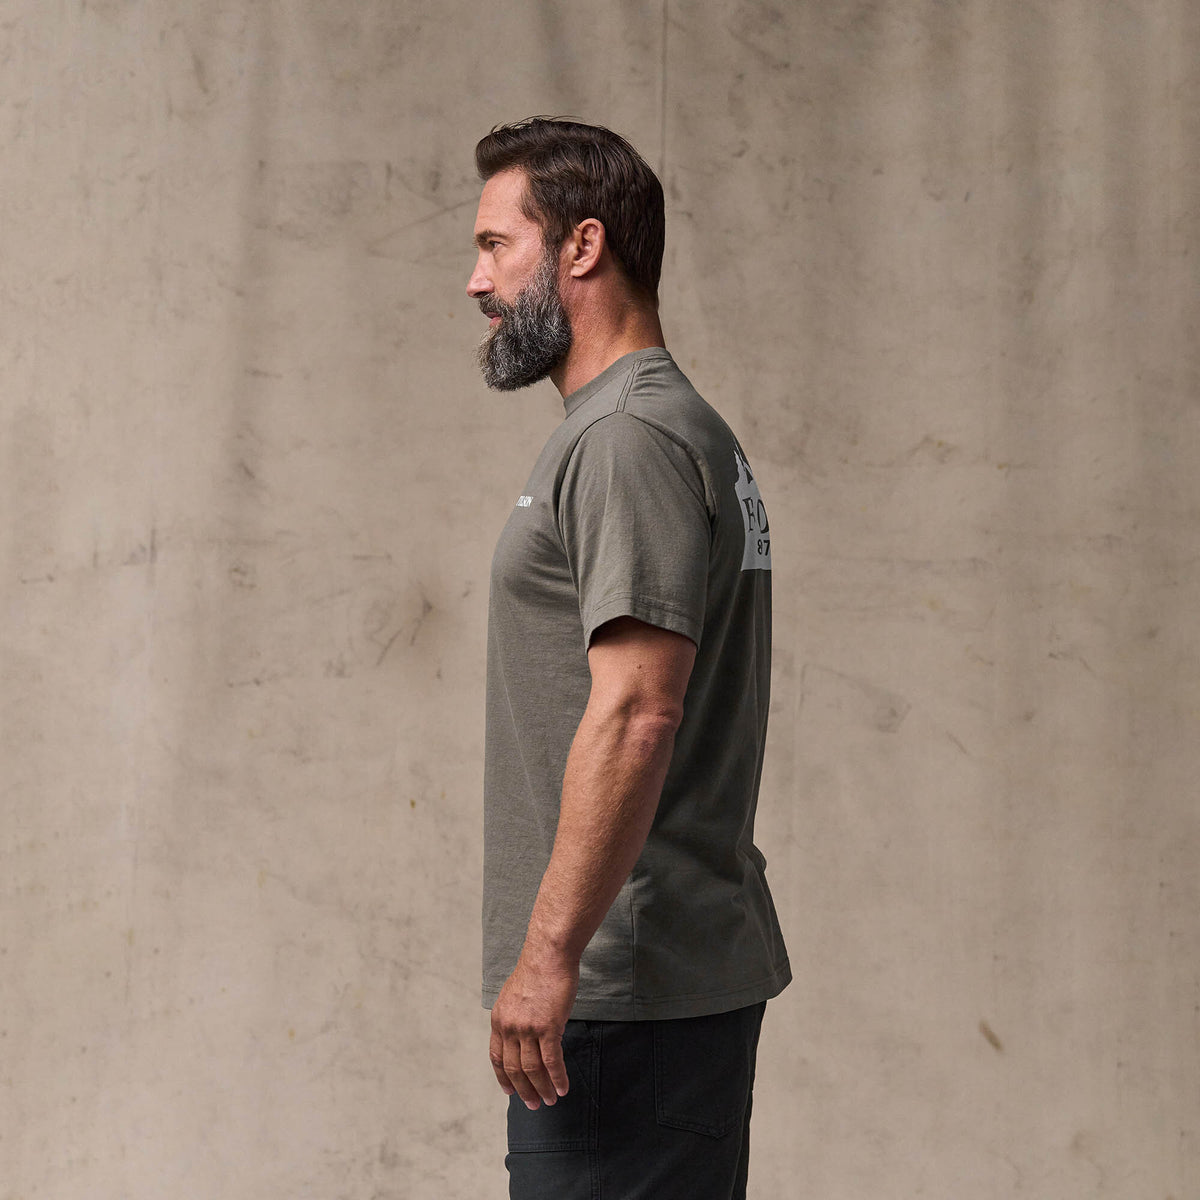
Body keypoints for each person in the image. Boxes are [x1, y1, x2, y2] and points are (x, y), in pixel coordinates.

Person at [467, 117, 790, 1200]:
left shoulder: (626, 439)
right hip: (641, 990)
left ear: (583, 246)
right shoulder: (655, 428)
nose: (477, 281)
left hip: (624, 996)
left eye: (496, 245)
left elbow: (640, 711)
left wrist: (550, 956)